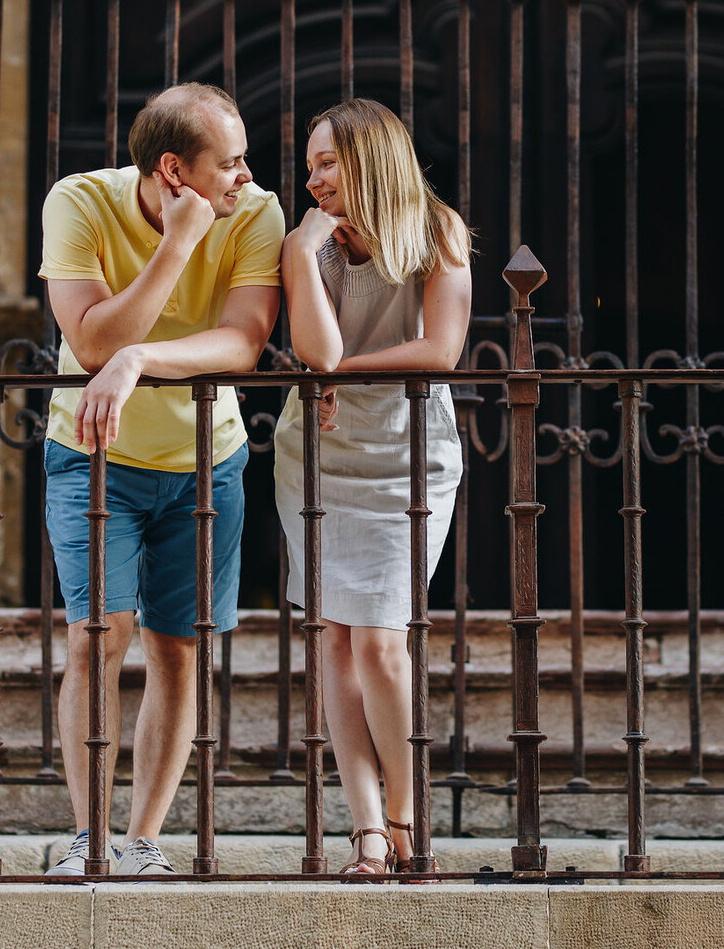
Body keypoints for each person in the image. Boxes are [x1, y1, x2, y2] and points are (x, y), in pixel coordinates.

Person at [39, 82, 284, 876]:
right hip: (91, 453)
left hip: (205, 463)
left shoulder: (256, 212)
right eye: (233, 162)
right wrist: (177, 245)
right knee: (95, 637)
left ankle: (142, 840)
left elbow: (243, 342)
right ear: (175, 171)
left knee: (177, 652)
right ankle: (88, 837)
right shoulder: (78, 202)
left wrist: (140, 359)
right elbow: (89, 343)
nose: (247, 176)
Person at [273, 97, 471, 874]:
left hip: (407, 456)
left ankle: (405, 816)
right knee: (334, 642)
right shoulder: (307, 243)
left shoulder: (436, 230)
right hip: (317, 455)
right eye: (311, 164)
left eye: (328, 162)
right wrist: (300, 253)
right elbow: (313, 349)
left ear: (369, 159)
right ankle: (362, 830)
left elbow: (441, 349)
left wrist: (341, 375)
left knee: (384, 644)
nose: (314, 177)